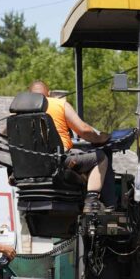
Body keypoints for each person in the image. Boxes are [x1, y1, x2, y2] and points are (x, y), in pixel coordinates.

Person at [29, 80, 112, 213]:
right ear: (49, 94)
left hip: (30, 164)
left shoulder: (18, 110)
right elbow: (84, 130)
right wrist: (101, 137)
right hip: (58, 160)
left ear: (29, 94)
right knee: (100, 158)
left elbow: (6, 135)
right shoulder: (58, 104)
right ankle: (91, 201)